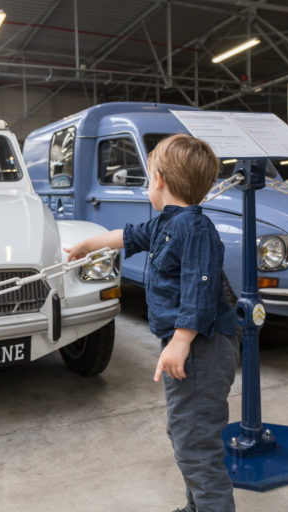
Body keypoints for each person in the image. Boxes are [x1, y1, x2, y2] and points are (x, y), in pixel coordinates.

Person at [65, 133, 239, 511]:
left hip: (201, 347)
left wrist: (181, 339)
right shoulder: (166, 225)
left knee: (195, 442)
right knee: (185, 433)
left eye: (147, 177)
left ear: (158, 179)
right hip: (189, 345)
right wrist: (85, 246)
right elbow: (125, 237)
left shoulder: (194, 228)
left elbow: (200, 283)